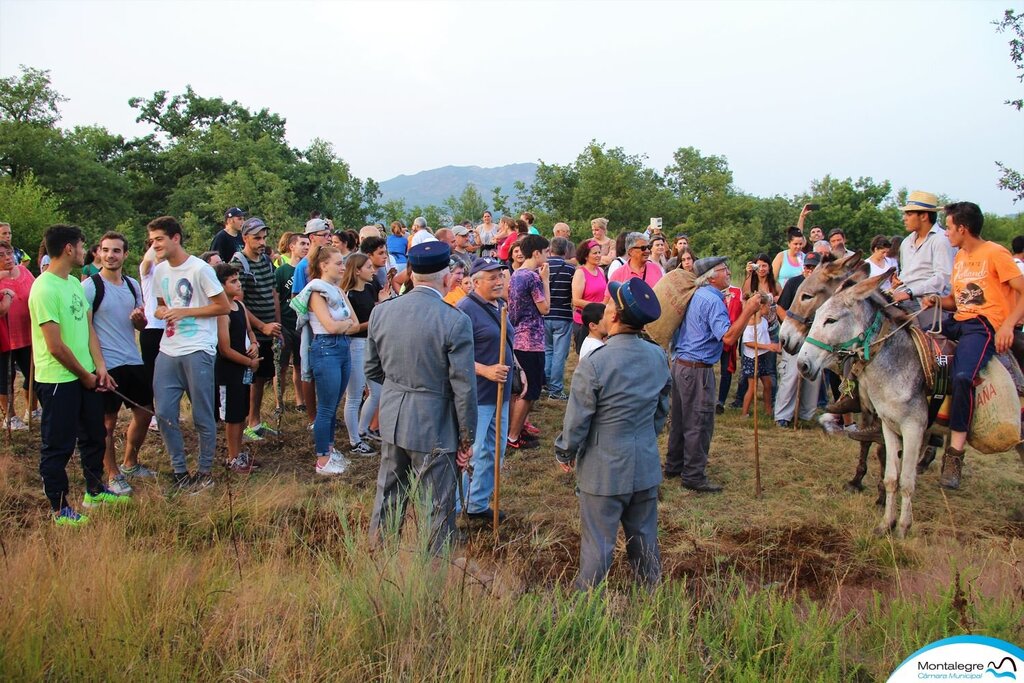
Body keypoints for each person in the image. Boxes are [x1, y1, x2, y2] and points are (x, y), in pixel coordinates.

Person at [554, 277, 671, 590]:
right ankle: (653, 601)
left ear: (616, 316)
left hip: (603, 470)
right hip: (644, 464)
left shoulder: (595, 363)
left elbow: (577, 420)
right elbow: (661, 409)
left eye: (608, 304)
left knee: (598, 546)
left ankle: (584, 610)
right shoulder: (658, 356)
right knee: (645, 543)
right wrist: (645, 436)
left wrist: (565, 451)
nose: (604, 309)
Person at [367, 241, 477, 554]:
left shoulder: (382, 313)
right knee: (437, 506)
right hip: (435, 423)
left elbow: (373, 370)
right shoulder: (455, 320)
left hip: (392, 417)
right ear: (447, 279)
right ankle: (434, 575)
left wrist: (400, 390)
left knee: (388, 496)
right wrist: (467, 440)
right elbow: (464, 388)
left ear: (412, 274)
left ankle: (378, 560)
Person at [921, 202, 1024, 490]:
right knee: (913, 342)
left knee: (964, 376)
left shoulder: (995, 253)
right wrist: (937, 301)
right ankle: (925, 434)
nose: (947, 233)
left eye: (949, 227)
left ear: (962, 229)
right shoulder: (960, 257)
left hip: (983, 326)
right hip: (958, 319)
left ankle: (954, 455)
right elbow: (958, 299)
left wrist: (1006, 326)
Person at [29, 224, 123, 527]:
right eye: (83, 246)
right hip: (59, 379)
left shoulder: (72, 282)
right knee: (58, 444)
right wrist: (84, 375)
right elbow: (55, 346)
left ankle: (95, 490)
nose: (88, 251)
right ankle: (60, 508)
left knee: (94, 435)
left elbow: (87, 329)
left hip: (86, 375)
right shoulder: (44, 288)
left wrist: (100, 367)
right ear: (69, 248)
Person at [666, 257, 762, 492]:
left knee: (680, 419)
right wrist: (748, 310)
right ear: (710, 277)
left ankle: (674, 466)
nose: (728, 272)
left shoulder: (697, 294)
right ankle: (693, 476)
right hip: (697, 370)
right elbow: (728, 338)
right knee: (699, 422)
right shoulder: (712, 300)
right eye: (723, 269)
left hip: (681, 365)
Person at [149, 215, 231, 492]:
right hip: (168, 348)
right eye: (152, 241)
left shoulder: (199, 269)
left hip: (198, 348)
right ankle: (179, 469)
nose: (155, 245)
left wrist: (185, 311)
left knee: (202, 414)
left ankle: (205, 470)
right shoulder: (160, 271)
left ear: (175, 238)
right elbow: (161, 305)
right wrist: (161, 312)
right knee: (164, 412)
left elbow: (223, 306)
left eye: (159, 239)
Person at [82, 231, 155, 495]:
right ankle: (112, 474)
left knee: (145, 412)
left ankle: (130, 463)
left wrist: (139, 319)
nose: (110, 255)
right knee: (107, 423)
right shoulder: (90, 286)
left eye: (116, 251)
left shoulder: (133, 285)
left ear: (125, 254)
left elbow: (141, 324)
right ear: (98, 253)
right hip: (106, 363)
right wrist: (98, 365)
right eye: (105, 250)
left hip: (131, 359)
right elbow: (86, 327)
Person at [456, 257, 513, 521]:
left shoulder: (499, 305)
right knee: (471, 454)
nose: (499, 281)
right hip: (477, 394)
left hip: (500, 394)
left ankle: (477, 504)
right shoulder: (464, 309)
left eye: (500, 276)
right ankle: (455, 507)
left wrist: (519, 368)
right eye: (492, 277)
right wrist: (485, 370)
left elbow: (507, 342)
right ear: (476, 282)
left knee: (495, 450)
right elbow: (455, 355)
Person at [231, 217, 281, 442]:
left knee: (261, 377)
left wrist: (277, 327)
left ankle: (255, 421)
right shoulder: (239, 263)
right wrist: (261, 326)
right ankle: (245, 425)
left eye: (264, 237)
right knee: (250, 379)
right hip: (252, 332)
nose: (262, 242)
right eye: (257, 238)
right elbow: (238, 302)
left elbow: (273, 293)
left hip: (270, 330)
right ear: (245, 238)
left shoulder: (266, 260)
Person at [214, 262, 260, 473]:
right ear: (221, 286)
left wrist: (254, 344)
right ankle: (232, 457)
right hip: (228, 371)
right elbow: (225, 349)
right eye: (233, 281)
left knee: (241, 412)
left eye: (238, 279)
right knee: (232, 416)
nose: (239, 284)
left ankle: (238, 452)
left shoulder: (239, 306)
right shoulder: (222, 313)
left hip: (243, 370)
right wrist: (249, 362)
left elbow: (249, 330)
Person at [341, 252, 388, 456]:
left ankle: (363, 429)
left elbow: (375, 313)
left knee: (376, 392)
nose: (373, 270)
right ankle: (354, 441)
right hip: (356, 346)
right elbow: (353, 327)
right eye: (368, 267)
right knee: (354, 396)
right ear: (357, 271)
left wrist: (381, 304)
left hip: (372, 344)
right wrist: (379, 312)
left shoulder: (369, 288)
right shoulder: (348, 295)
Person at [506, 234, 550, 450]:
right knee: (529, 389)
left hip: (518, 336)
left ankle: (517, 428)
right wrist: (546, 281)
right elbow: (545, 308)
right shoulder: (532, 277)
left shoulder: (516, 275)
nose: (548, 256)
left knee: (521, 388)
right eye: (546, 252)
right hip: (530, 340)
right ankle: (513, 436)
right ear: (536, 253)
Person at [774, 253, 824, 427]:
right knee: (791, 375)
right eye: (808, 266)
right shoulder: (795, 283)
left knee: (813, 375)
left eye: (813, 267)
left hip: (815, 338)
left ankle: (805, 414)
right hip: (796, 335)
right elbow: (780, 307)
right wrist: (789, 326)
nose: (809, 270)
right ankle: (783, 415)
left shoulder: (824, 288)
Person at [890, 190, 954, 322]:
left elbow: (943, 278)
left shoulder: (941, 240)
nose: (904, 218)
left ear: (924, 216)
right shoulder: (906, 242)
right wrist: (898, 283)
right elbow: (907, 274)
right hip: (903, 298)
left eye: (909, 214)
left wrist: (910, 292)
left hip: (928, 302)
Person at [0, 240, 34, 430]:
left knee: (33, 375)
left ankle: (32, 409)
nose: (7, 258)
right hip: (5, 337)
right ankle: (10, 417)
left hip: (27, 333)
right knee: (5, 378)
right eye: (1, 255)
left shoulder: (24, 271)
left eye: (9, 253)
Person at [275, 232, 310, 413]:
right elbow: (277, 299)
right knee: (280, 365)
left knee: (299, 364)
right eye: (302, 243)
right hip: (286, 323)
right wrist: (278, 323)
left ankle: (299, 400)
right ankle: (279, 402)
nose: (306, 247)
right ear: (292, 247)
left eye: (307, 244)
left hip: (301, 322)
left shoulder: (308, 269)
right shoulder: (282, 271)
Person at [543, 236, 575, 400]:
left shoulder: (542, 267)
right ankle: (555, 390)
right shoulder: (570, 270)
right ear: (566, 250)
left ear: (550, 248)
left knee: (547, 350)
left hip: (545, 314)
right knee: (559, 354)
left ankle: (546, 383)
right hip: (563, 315)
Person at [139, 240, 165, 432]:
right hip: (152, 326)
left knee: (168, 373)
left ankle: (165, 412)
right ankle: (152, 414)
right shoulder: (147, 269)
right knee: (151, 372)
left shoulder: (170, 268)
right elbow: (148, 260)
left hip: (171, 326)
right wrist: (157, 241)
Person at [740, 298, 780, 417]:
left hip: (762, 357)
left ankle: (768, 411)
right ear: (761, 306)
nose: (769, 309)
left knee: (768, 384)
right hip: (752, 358)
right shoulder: (751, 323)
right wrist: (767, 346)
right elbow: (747, 342)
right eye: (768, 306)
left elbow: (765, 337)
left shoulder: (763, 321)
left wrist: (773, 347)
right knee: (752, 388)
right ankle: (744, 413)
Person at [571, 238, 609, 354]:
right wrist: (597, 306)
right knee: (585, 356)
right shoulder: (580, 273)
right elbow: (576, 301)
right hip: (584, 322)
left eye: (599, 252)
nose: (598, 255)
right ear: (586, 256)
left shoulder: (601, 271)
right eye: (594, 253)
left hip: (600, 321)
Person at [715, 275, 743, 414]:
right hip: (714, 336)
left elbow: (742, 310)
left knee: (726, 369)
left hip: (730, 334)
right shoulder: (711, 293)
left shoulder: (737, 292)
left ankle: (721, 401)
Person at [292, 218, 332, 296]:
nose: (329, 239)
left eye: (329, 235)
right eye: (324, 235)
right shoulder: (302, 266)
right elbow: (296, 297)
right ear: (312, 237)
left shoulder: (331, 262)